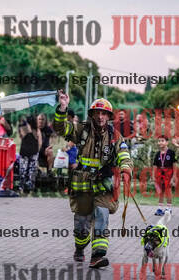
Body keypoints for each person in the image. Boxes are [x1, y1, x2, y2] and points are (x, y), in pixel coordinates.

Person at [53, 90, 132, 269]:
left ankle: (97, 256)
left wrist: (126, 170)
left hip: (104, 186)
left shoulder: (115, 136)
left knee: (102, 214)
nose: (100, 116)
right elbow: (60, 128)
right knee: (81, 225)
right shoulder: (81, 130)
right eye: (97, 112)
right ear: (92, 114)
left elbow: (124, 154)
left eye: (104, 113)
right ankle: (80, 247)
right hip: (82, 185)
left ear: (108, 116)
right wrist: (63, 108)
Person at [152, 135, 176, 215]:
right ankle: (160, 208)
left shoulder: (171, 152)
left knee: (168, 190)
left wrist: (173, 177)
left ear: (167, 142)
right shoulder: (157, 154)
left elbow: (174, 165)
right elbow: (155, 166)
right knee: (160, 191)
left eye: (162, 141)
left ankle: (168, 208)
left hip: (168, 174)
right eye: (159, 141)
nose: (160, 142)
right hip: (159, 174)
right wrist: (153, 176)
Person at [18, 116, 41, 193]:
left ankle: (30, 187)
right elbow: (23, 135)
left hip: (33, 152)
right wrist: (27, 126)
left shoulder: (36, 130)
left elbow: (38, 140)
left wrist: (37, 152)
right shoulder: (23, 127)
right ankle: (22, 187)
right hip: (24, 152)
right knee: (23, 170)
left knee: (32, 171)